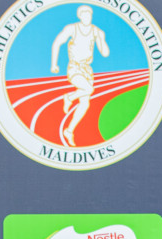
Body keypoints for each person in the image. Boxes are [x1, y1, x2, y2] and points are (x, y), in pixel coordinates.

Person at [50, 5, 109, 146]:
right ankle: (69, 97)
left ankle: (69, 131)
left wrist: (101, 38)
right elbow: (57, 43)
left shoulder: (96, 31)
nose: (87, 17)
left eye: (89, 14)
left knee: (85, 104)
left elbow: (105, 53)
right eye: (84, 14)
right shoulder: (72, 28)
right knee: (88, 89)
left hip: (87, 70)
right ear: (80, 16)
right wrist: (54, 64)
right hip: (74, 67)